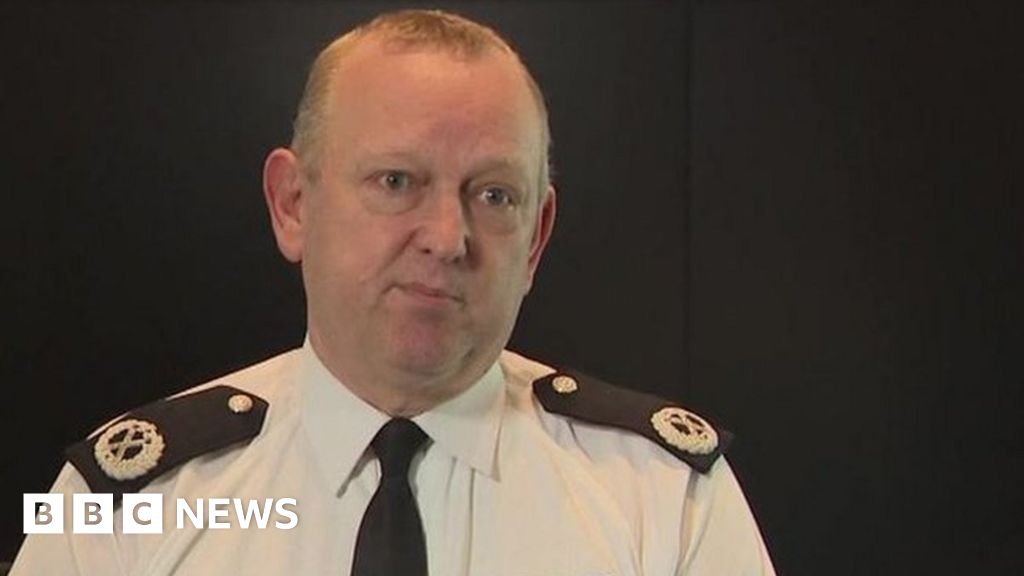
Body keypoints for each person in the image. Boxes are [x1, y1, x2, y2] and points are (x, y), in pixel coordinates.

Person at [11, 9, 775, 575]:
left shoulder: (665, 500)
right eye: (397, 181)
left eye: (494, 195)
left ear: (537, 238)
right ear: (293, 204)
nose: (447, 236)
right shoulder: (121, 501)